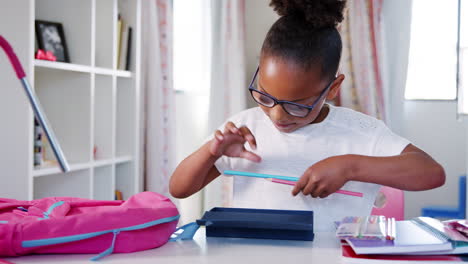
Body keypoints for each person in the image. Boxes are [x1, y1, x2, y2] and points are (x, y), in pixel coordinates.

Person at [169, 0, 445, 231]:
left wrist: (350, 167)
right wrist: (211, 152)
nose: (277, 115)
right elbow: (178, 189)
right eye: (265, 96)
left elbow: (432, 174)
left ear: (333, 88)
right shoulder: (244, 128)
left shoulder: (361, 132)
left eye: (298, 105)